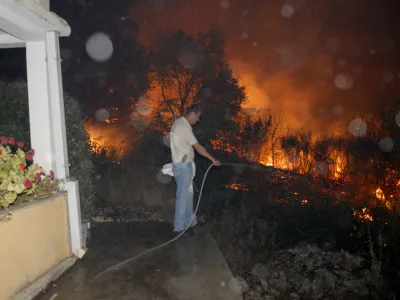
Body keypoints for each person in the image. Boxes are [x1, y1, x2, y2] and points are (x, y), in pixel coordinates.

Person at [169, 104, 221, 234]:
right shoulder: (183, 127)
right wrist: (212, 159)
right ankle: (179, 226)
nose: (197, 120)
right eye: (197, 117)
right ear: (192, 114)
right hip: (183, 166)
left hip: (182, 165)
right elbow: (198, 147)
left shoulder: (179, 123)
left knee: (188, 195)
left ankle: (190, 221)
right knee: (182, 196)